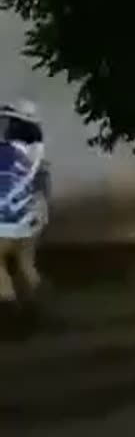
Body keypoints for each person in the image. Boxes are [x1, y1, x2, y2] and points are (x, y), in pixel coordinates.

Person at [0, 100, 47, 315]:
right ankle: (43, 305)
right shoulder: (37, 153)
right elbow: (41, 187)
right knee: (26, 264)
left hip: (5, 223)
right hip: (30, 221)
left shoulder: (5, 153)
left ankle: (9, 308)